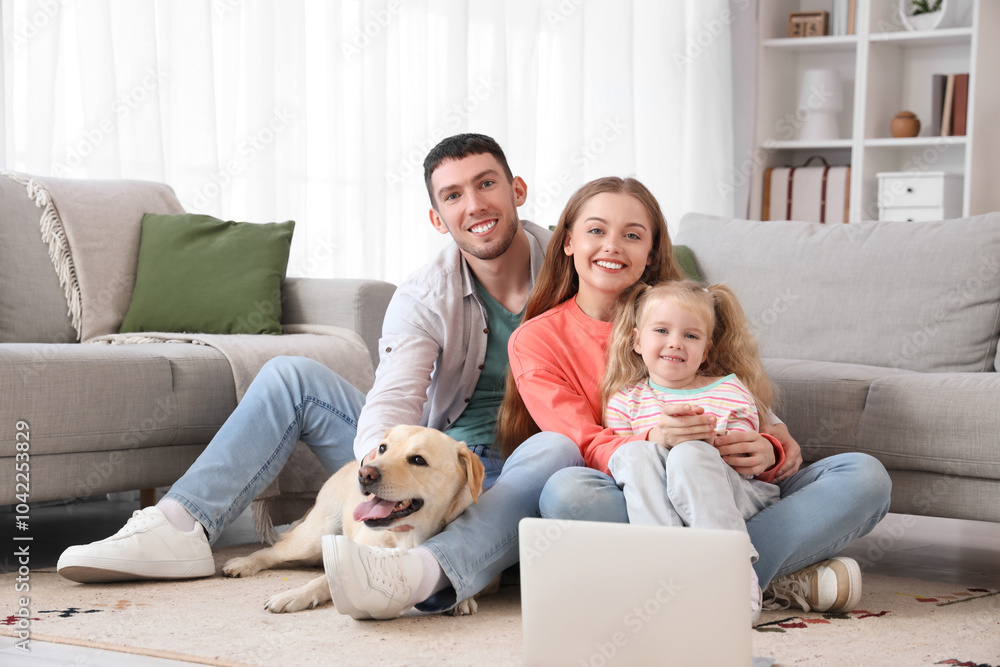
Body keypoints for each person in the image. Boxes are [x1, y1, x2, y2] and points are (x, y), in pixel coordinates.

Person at [57, 133, 584, 619]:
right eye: (453, 196)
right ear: (436, 217)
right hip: (433, 462)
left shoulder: (575, 265)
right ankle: (180, 524)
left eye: (486, 183)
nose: (474, 206)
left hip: (517, 469)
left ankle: (420, 569)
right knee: (290, 375)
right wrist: (385, 483)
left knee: (556, 449)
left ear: (517, 189)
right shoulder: (425, 293)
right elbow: (394, 402)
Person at [497, 176, 892, 616]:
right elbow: (585, 441)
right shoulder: (538, 339)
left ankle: (680, 581)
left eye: (632, 235)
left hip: (733, 486)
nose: (612, 246)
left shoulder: (689, 316)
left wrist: (769, 448)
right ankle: (764, 576)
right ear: (567, 241)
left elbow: (760, 415)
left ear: (651, 254)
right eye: (596, 230)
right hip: (636, 492)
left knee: (866, 476)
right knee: (566, 493)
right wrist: (652, 438)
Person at [601, 279, 783, 623]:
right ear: (637, 341)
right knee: (632, 455)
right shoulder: (626, 401)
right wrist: (657, 439)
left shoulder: (728, 390)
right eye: (661, 330)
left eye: (691, 336)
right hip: (662, 502)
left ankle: (732, 579)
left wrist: (707, 442)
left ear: (706, 351)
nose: (675, 343)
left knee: (690, 455)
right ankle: (662, 576)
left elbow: (745, 465)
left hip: (730, 495)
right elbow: (622, 469)